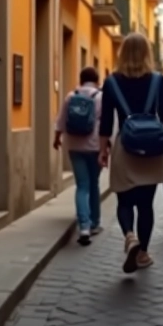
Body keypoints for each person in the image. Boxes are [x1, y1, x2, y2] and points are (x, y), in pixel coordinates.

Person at [99, 33, 163, 273]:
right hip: (153, 150)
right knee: (146, 204)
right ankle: (144, 253)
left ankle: (130, 236)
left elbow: (106, 122)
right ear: (148, 54)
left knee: (124, 200)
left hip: (125, 149)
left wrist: (102, 151)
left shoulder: (111, 82)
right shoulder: (158, 81)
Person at [53, 67, 104, 246]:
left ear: (81, 79)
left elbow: (60, 120)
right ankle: (95, 223)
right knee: (94, 184)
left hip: (74, 145)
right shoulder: (100, 96)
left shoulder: (70, 96)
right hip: (95, 146)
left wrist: (56, 139)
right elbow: (107, 124)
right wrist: (107, 148)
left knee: (82, 185)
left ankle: (83, 226)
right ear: (97, 80)